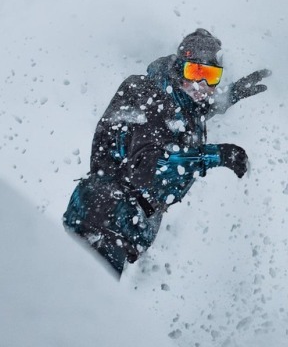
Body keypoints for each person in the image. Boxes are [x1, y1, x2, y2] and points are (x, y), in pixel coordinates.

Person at [63, 29, 271, 277]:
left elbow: (191, 113)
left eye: (212, 76)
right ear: (179, 68)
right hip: (103, 223)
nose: (202, 85)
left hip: (116, 226)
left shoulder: (176, 99)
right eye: (195, 72)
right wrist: (215, 155)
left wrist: (232, 94)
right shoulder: (150, 95)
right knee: (88, 308)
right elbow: (148, 169)